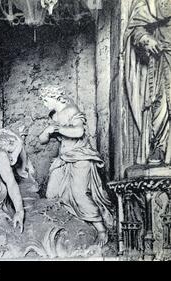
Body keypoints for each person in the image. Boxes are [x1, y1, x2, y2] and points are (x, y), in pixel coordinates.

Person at [38, 86, 114, 246]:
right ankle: (69, 226)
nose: (44, 104)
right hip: (63, 159)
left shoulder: (71, 109)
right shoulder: (54, 115)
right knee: (52, 194)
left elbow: (79, 132)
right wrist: (46, 132)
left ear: (54, 97)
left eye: (46, 100)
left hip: (80, 157)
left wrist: (57, 128)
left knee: (79, 194)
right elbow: (42, 140)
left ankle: (101, 229)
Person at [124, 0, 171, 164]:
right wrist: (146, 39)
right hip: (162, 56)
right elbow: (136, 26)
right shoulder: (150, 2)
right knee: (160, 102)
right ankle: (160, 145)